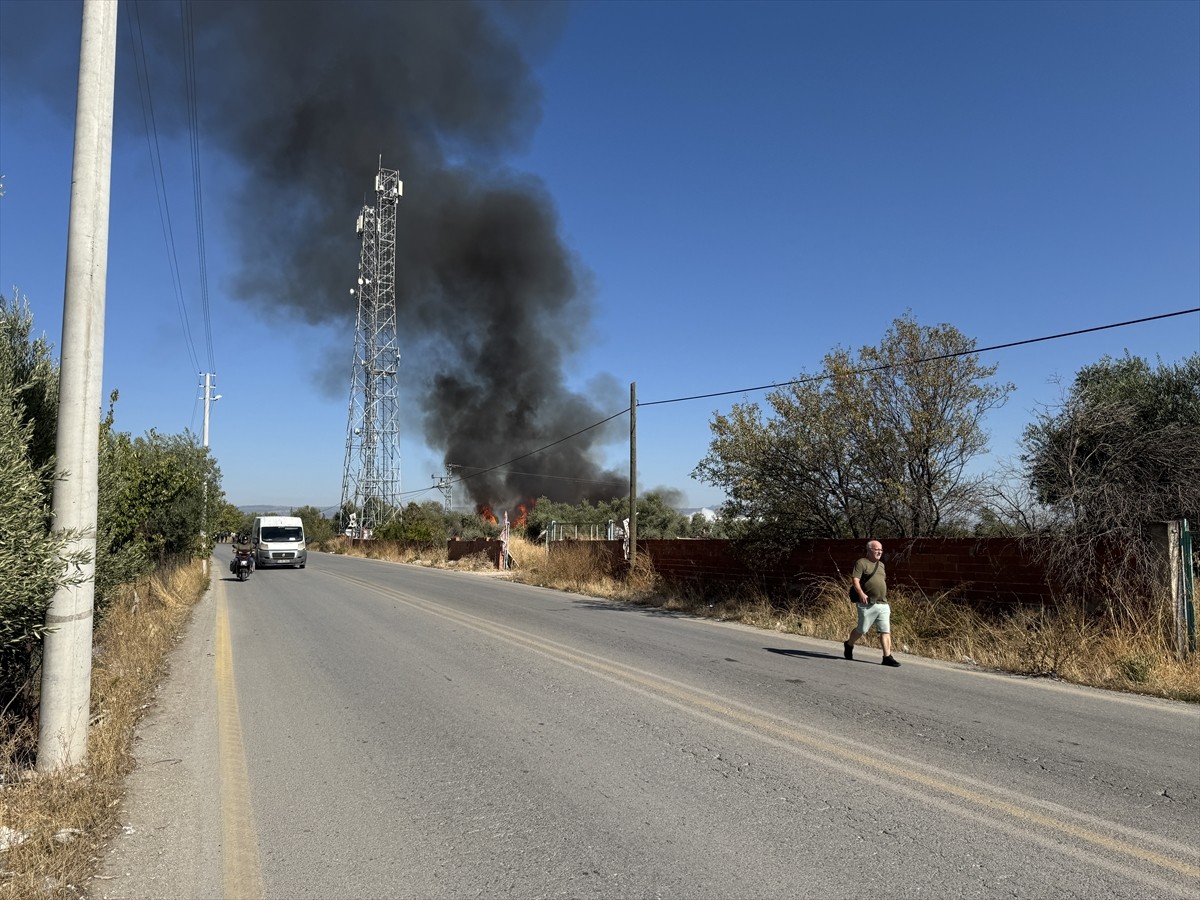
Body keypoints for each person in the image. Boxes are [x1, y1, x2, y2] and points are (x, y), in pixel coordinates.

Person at [844, 540, 900, 667]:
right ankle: (849, 644)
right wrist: (861, 593)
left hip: (883, 603)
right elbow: (855, 580)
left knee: (885, 630)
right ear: (869, 550)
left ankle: (887, 657)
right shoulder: (861, 563)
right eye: (876, 549)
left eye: (881, 550)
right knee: (862, 629)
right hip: (867, 603)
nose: (879, 552)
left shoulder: (881, 565)